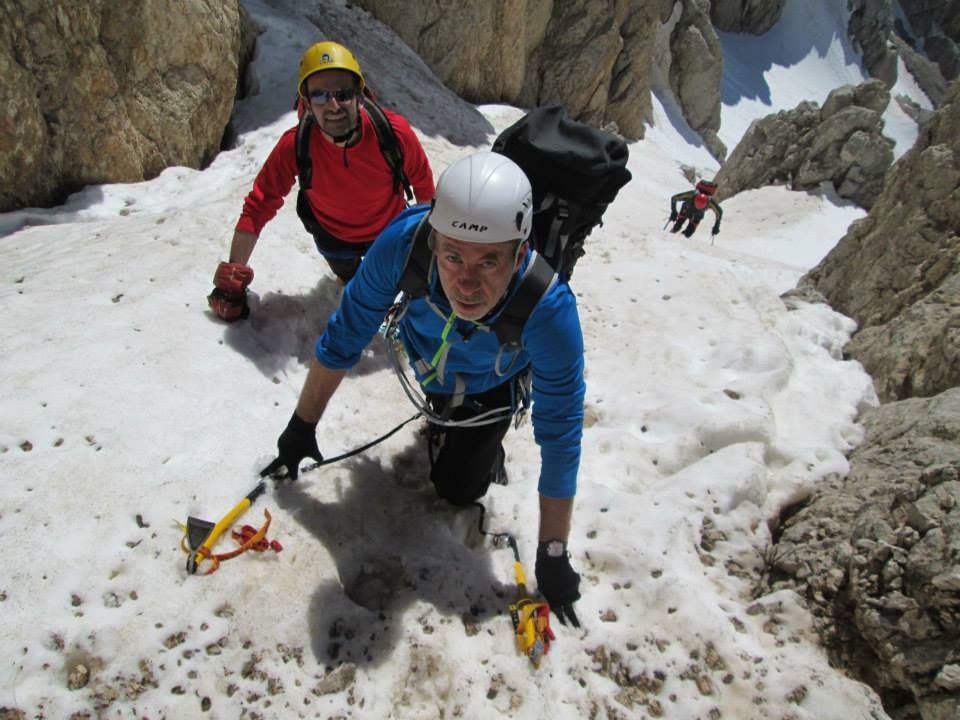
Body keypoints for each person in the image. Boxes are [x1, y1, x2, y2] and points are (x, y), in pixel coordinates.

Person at [261, 151, 585, 626]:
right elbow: (346, 333)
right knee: (441, 411)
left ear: (519, 253)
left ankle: (478, 448)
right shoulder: (404, 244)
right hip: (429, 359)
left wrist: (553, 551)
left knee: (458, 490)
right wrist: (300, 427)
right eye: (452, 255)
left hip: (491, 387)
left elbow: (560, 435)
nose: (467, 282)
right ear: (433, 242)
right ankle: (444, 423)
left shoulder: (549, 310)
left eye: (489, 260)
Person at [207, 41, 435, 321]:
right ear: (306, 102)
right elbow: (259, 205)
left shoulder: (393, 133)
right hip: (334, 238)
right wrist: (234, 271)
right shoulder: (296, 145)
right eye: (320, 96)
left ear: (360, 96)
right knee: (351, 280)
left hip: (388, 234)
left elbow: (425, 191)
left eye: (343, 93)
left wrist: (429, 257)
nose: (333, 105)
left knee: (387, 290)